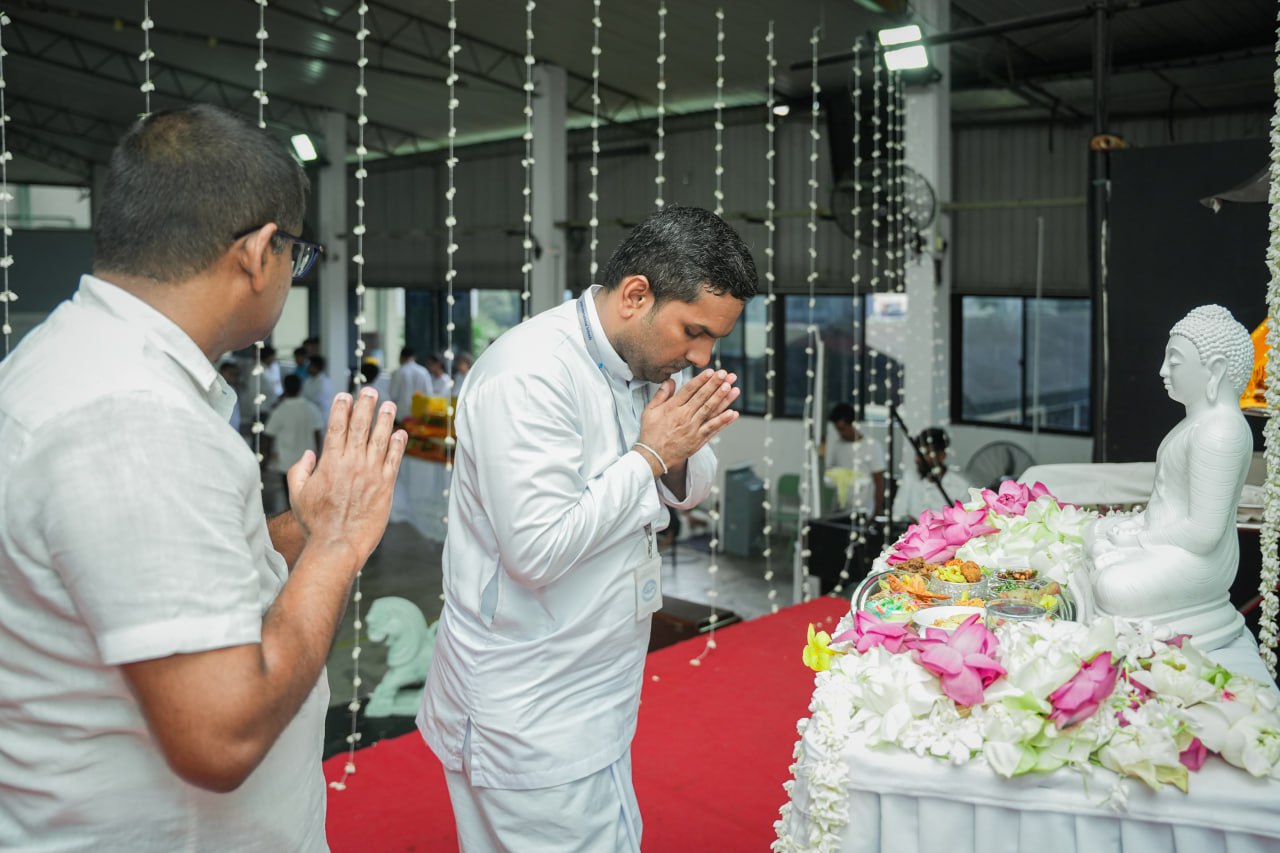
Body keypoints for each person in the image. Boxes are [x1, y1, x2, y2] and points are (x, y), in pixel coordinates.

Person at [0, 104, 406, 850]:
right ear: (257, 252)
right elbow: (220, 735)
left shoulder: (74, 358)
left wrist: (301, 530)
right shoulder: (132, 420)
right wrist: (338, 547)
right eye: (297, 255)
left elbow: (156, 576)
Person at [418, 204, 758, 851]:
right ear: (636, 294)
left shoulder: (652, 363)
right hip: (529, 711)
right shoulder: (531, 373)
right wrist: (651, 455)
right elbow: (537, 551)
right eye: (694, 331)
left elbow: (697, 485)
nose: (702, 354)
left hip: (593, 693)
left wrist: (676, 449)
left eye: (714, 339)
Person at [1084, 304, 1254, 651]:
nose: (1163, 371)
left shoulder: (1220, 432)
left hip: (1197, 561)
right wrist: (1138, 525)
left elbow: (1204, 534)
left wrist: (1138, 539)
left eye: (1174, 362)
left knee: (1112, 585)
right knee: (1091, 534)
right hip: (1166, 542)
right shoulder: (1195, 423)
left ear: (1216, 370)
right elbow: (1169, 503)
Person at [263, 373, 324, 510]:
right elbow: (317, 432)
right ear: (300, 387)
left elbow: (268, 435)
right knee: (307, 498)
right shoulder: (311, 408)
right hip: (308, 460)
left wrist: (265, 457)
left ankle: (293, 523)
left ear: (284, 388)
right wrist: (319, 453)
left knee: (290, 500)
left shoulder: (279, 411)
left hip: (287, 463)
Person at [892, 427, 972, 521]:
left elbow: (966, 522)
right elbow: (897, 514)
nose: (918, 459)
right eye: (917, 454)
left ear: (941, 455)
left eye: (925, 454)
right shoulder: (910, 477)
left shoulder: (960, 485)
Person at [823, 402, 886, 517]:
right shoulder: (838, 446)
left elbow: (879, 481)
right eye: (837, 430)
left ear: (853, 424)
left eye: (843, 429)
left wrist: (877, 512)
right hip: (842, 508)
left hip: (864, 510)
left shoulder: (872, 446)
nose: (841, 433)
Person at [388, 346, 432, 417]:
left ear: (401, 357)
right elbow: (429, 393)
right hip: (420, 414)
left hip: (401, 414)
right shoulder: (424, 372)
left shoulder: (397, 372)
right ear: (414, 357)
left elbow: (393, 394)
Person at [302, 354, 334, 425]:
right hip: (309, 415)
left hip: (322, 416)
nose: (307, 367)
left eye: (310, 365)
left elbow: (317, 400)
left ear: (316, 367)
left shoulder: (324, 382)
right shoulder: (308, 380)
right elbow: (303, 396)